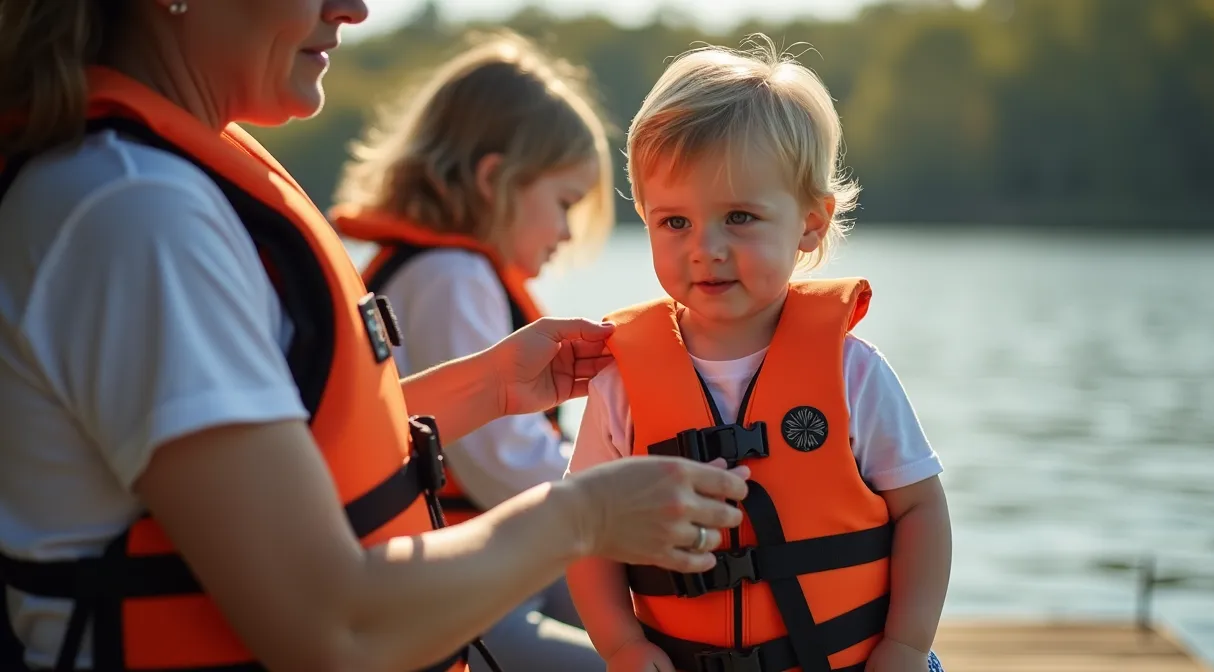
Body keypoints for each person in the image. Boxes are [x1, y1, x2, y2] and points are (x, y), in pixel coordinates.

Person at [0, 2, 751, 671]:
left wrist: (487, 387)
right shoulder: (134, 214)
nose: (355, 9)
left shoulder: (153, 185)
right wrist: (583, 514)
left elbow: (300, 457)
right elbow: (330, 628)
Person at [564, 36, 953, 672]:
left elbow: (921, 509)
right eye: (675, 222)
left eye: (739, 217)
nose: (705, 248)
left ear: (810, 223)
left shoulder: (853, 373)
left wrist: (905, 645)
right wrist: (622, 644)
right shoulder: (621, 384)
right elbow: (585, 531)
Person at [329, 30, 615, 671]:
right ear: (495, 180)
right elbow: (498, 463)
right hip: (455, 596)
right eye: (563, 203)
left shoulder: (442, 270)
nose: (567, 231)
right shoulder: (450, 279)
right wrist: (615, 487)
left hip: (490, 575)